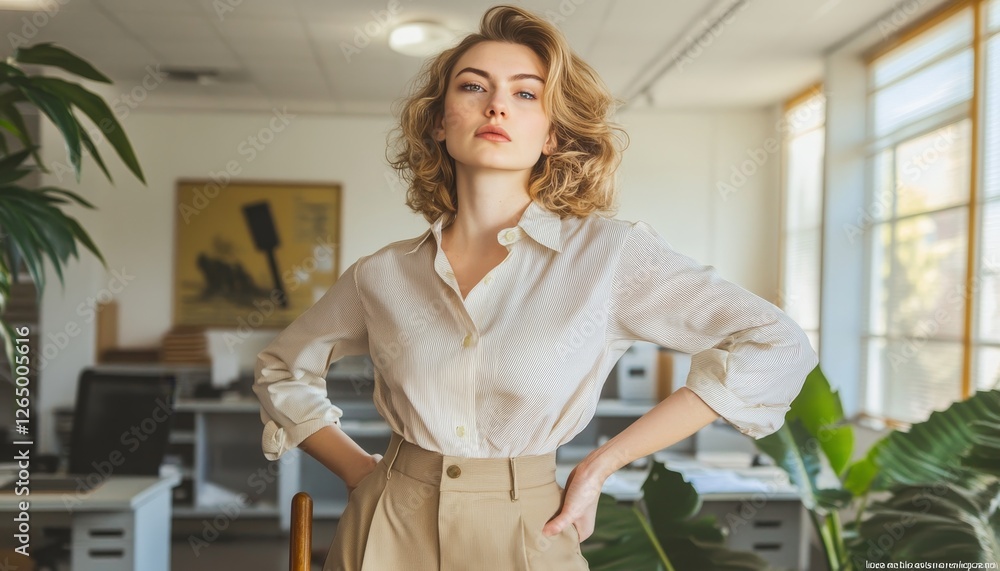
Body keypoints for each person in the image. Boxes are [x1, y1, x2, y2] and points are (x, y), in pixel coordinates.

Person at [254, 5, 819, 571]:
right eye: (473, 87)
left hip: (527, 527)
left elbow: (775, 340)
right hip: (387, 527)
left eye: (526, 94)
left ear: (552, 134)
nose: (496, 104)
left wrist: (604, 462)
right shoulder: (383, 274)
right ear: (439, 121)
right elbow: (282, 368)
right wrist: (357, 469)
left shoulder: (608, 256)